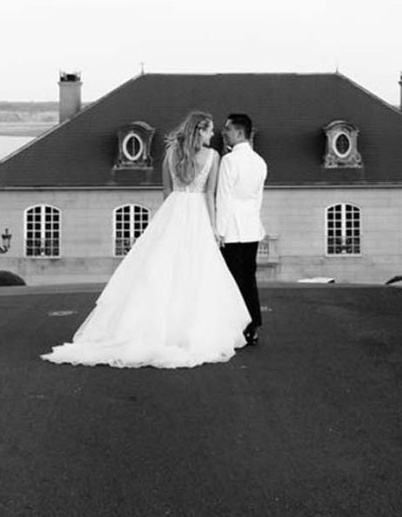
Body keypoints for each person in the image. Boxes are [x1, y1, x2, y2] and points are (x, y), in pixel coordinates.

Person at [41, 111, 251, 368]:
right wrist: (213, 227)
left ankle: (149, 328)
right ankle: (185, 329)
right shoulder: (214, 156)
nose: (213, 134)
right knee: (195, 270)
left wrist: (166, 222)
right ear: (199, 131)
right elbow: (209, 194)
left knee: (160, 269)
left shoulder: (172, 154)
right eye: (209, 130)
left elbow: (166, 192)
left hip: (173, 210)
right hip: (197, 213)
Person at [216, 113, 267, 346]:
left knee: (233, 280)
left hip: (233, 231)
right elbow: (258, 199)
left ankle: (237, 327)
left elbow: (223, 199)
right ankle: (252, 326)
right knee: (249, 278)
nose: (223, 132)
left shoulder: (229, 161)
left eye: (227, 129)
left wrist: (219, 231)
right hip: (251, 229)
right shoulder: (260, 162)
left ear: (239, 133)